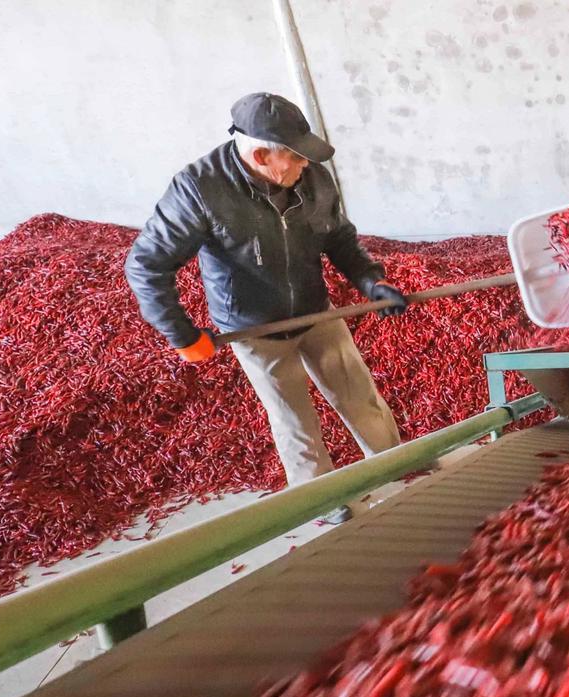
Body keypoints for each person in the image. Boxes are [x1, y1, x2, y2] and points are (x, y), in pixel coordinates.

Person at [126, 92, 410, 523]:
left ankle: (399, 469)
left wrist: (372, 281)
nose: (306, 167)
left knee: (360, 396)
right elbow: (146, 266)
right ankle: (324, 500)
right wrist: (183, 335)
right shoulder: (200, 189)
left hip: (316, 312)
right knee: (296, 421)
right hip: (253, 327)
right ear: (260, 154)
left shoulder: (311, 179)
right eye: (296, 158)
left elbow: (339, 237)